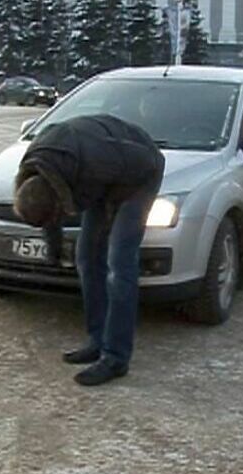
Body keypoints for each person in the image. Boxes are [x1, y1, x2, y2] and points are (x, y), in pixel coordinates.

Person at [13, 114, 165, 386]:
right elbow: (48, 211)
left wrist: (109, 224)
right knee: (86, 258)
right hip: (98, 177)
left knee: (119, 262)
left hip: (140, 174)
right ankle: (97, 339)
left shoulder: (96, 165)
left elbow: (142, 168)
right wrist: (54, 248)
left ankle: (116, 356)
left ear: (60, 201)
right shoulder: (33, 168)